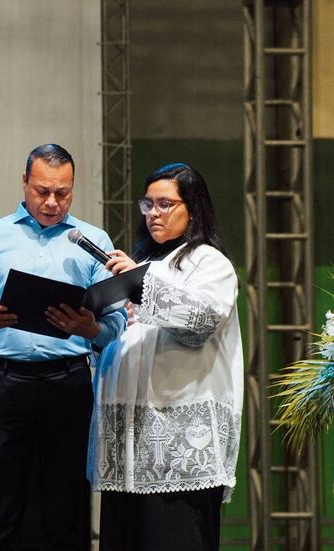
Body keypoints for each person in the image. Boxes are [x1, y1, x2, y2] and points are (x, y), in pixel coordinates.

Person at [0, 144, 127, 550]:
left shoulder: (93, 242)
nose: (51, 202)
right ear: (24, 183)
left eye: (62, 193)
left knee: (66, 507)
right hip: (6, 381)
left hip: (68, 383)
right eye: (42, 190)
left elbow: (117, 323)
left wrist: (91, 327)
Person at [88, 163, 243, 550]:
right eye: (148, 204)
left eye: (164, 204)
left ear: (193, 208)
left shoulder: (209, 262)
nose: (153, 213)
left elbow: (201, 320)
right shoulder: (142, 266)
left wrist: (142, 285)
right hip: (127, 449)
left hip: (179, 451)